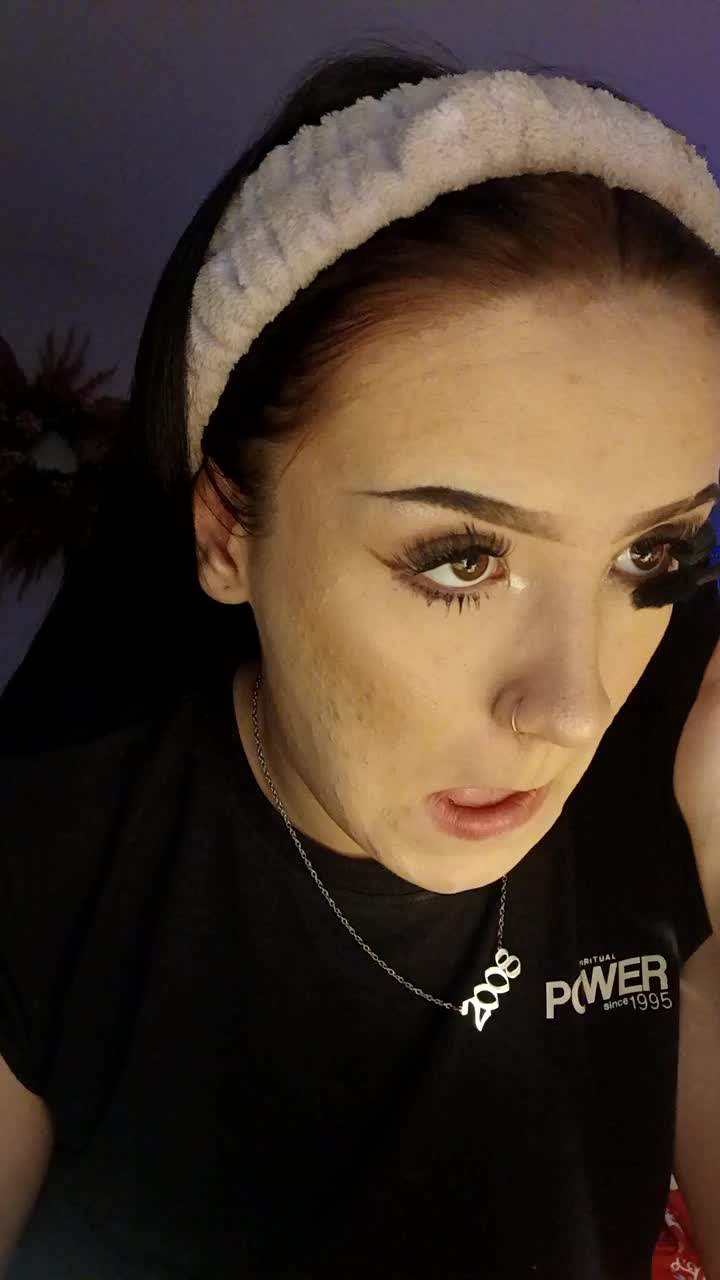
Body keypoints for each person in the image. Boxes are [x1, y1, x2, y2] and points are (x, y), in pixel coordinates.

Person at [1, 42, 720, 1280]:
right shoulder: (48, 865)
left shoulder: (679, 786)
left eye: (651, 554)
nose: (572, 705)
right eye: (461, 558)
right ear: (227, 534)